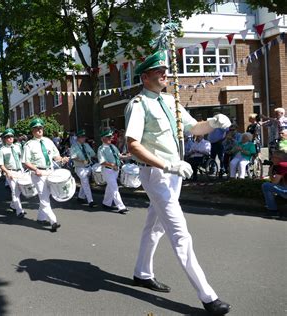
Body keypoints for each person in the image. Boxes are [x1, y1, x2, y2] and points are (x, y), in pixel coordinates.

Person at [125, 50, 231, 314]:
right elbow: (133, 144)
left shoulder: (171, 101)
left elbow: (194, 128)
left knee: (155, 227)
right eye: (159, 71)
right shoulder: (138, 104)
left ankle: (142, 272)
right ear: (145, 77)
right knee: (180, 233)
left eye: (165, 70)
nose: (165, 74)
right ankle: (208, 297)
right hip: (158, 174)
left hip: (176, 174)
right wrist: (167, 164)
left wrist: (214, 123)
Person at [22, 118, 69, 232]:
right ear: (32, 131)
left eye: (41, 128)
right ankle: (53, 221)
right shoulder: (28, 145)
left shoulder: (48, 141)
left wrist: (62, 159)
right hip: (38, 173)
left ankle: (40, 217)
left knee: (47, 196)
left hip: (50, 171)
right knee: (43, 197)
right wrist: (35, 169)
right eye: (36, 128)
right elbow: (25, 162)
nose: (39, 130)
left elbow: (55, 156)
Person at [98, 129, 130, 214]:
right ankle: (121, 207)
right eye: (108, 137)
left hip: (115, 170)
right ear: (103, 138)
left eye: (110, 137)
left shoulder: (113, 146)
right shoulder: (101, 149)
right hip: (108, 171)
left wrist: (127, 156)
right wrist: (112, 165)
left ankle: (106, 203)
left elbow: (119, 156)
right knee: (115, 188)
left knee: (110, 187)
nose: (111, 138)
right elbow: (102, 162)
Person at [0, 128, 26, 218]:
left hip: (20, 171)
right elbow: (0, 164)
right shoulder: (2, 150)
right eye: (8, 137)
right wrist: (7, 172)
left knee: (20, 190)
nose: (10, 138)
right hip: (11, 172)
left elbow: (22, 158)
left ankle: (13, 205)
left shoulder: (17, 147)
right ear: (5, 139)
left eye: (11, 136)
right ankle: (19, 211)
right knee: (15, 191)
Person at [70, 130, 97, 207]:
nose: (84, 138)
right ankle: (90, 201)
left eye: (84, 137)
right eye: (82, 137)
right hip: (80, 168)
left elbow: (92, 154)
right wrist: (82, 160)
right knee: (86, 183)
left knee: (84, 183)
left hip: (88, 166)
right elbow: (73, 157)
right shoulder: (74, 146)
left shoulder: (86, 145)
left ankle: (80, 197)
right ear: (78, 138)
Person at [262, 152, 287, 217]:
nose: (271, 159)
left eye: (273, 157)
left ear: (279, 159)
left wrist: (270, 172)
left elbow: (274, 182)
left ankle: (273, 211)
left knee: (266, 185)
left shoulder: (282, 165)